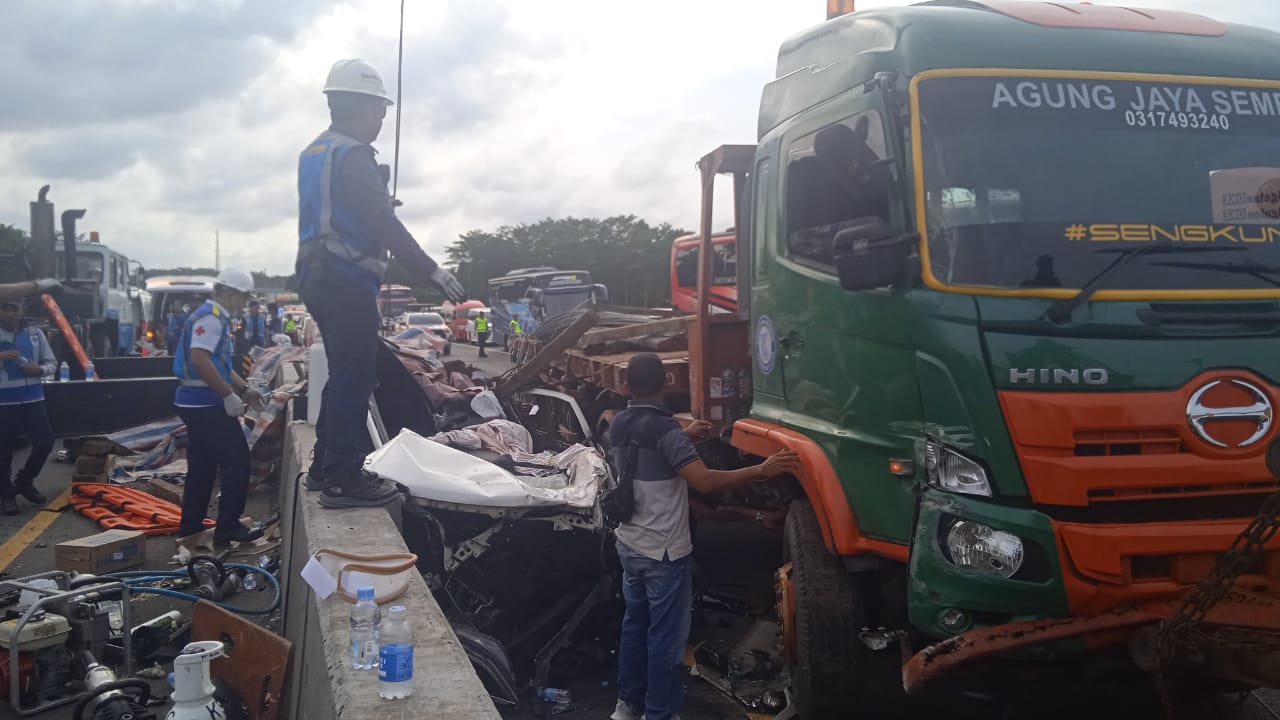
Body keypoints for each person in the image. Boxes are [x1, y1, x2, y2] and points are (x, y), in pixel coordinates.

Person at [296, 58, 465, 508]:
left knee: (345, 370)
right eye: (379, 110)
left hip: (317, 275)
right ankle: (342, 477)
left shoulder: (316, 151)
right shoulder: (353, 155)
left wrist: (374, 199)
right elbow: (382, 224)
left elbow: (342, 209)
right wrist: (432, 270)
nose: (381, 119)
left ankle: (325, 465)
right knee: (356, 375)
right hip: (344, 279)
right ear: (359, 106)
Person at [608, 353, 800, 720]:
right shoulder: (665, 431)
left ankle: (627, 706)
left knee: (635, 628)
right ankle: (659, 714)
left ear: (627, 385)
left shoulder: (620, 423)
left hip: (630, 545)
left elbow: (649, 450)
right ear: (666, 382)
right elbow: (706, 481)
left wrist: (684, 437)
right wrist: (762, 469)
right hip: (663, 552)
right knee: (666, 641)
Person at [172, 268, 265, 546]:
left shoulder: (211, 316)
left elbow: (219, 363)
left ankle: (190, 528)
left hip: (194, 401)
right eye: (244, 298)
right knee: (237, 461)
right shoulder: (212, 319)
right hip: (206, 403)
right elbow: (200, 359)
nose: (244, 304)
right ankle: (228, 527)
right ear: (231, 294)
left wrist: (243, 389)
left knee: (202, 466)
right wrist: (227, 395)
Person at [0, 297, 57, 516]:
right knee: (3, 450)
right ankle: (6, 494)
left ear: (22, 310)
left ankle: (23, 482)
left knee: (45, 442)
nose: (8, 314)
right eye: (4, 309)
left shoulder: (35, 334)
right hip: (4, 402)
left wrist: (40, 370)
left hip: (34, 399)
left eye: (13, 308)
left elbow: (52, 363)